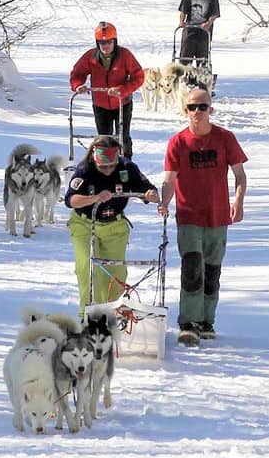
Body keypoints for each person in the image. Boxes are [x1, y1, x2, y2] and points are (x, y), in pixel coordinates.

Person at [158, 86, 246, 343]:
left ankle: (207, 321)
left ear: (211, 109)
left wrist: (238, 202)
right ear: (185, 110)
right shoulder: (178, 142)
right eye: (192, 107)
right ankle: (189, 323)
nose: (197, 112)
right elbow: (169, 180)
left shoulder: (225, 138)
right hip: (188, 216)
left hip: (218, 216)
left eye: (203, 106)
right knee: (192, 268)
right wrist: (164, 202)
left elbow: (240, 175)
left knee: (212, 271)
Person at [66, 134, 159, 312]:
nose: (108, 169)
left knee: (115, 273)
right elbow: (71, 200)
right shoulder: (84, 170)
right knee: (88, 269)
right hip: (85, 223)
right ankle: (90, 314)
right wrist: (95, 198)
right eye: (103, 166)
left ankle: (113, 311)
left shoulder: (127, 167)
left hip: (114, 226)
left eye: (111, 165)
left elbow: (147, 188)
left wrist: (151, 195)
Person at [69, 20, 145, 159]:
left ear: (114, 41)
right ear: (97, 43)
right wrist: (78, 85)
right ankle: (104, 166)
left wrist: (122, 89)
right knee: (104, 138)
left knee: (123, 136)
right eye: (102, 43)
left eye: (109, 42)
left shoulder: (125, 55)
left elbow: (138, 77)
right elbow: (77, 73)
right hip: (100, 104)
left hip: (122, 103)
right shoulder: (90, 57)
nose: (106, 46)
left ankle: (126, 164)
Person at [174, 0, 221, 64]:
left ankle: (202, 76)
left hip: (204, 33)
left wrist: (208, 23)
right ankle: (185, 76)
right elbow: (183, 11)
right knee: (185, 60)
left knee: (203, 61)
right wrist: (181, 21)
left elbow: (215, 14)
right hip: (189, 32)